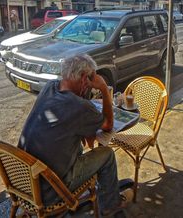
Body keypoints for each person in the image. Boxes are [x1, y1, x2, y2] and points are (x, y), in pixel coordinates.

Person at [18, 54, 133, 217]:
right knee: (107, 155)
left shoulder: (49, 87)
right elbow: (108, 124)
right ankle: (110, 205)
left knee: (78, 145)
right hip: (51, 190)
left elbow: (68, 119)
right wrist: (104, 89)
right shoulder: (80, 107)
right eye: (92, 78)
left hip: (24, 180)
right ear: (85, 78)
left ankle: (107, 188)